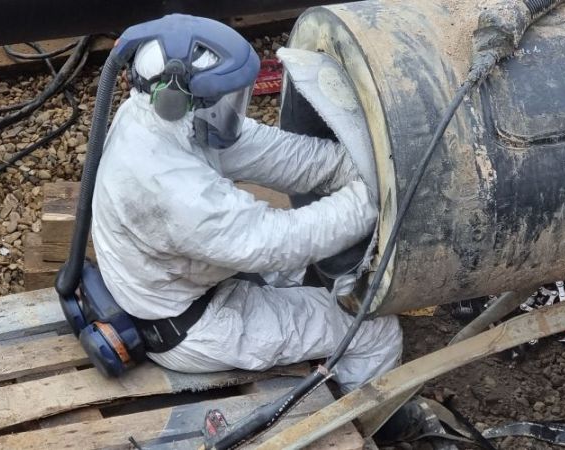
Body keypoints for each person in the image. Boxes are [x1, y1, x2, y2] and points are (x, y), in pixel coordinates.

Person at [90, 32, 402, 395]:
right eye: (225, 98)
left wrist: (362, 168)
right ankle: (363, 422)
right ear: (178, 100)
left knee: (323, 267)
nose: (235, 108)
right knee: (376, 331)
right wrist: (376, 197)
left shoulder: (158, 117)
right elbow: (279, 241)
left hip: (177, 278)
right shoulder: (174, 188)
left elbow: (281, 156)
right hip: (192, 327)